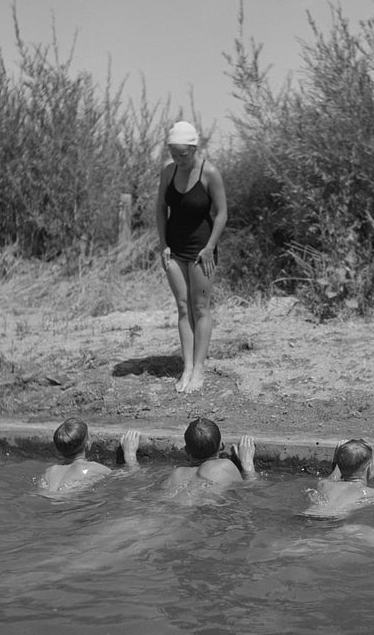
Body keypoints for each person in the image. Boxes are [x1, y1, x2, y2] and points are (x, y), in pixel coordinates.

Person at [154, 120, 229, 393]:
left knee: (201, 308)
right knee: (183, 307)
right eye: (173, 154)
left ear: (194, 148)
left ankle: (199, 369)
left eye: (182, 154)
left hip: (201, 250)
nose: (178, 159)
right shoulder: (168, 172)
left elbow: (222, 214)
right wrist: (163, 243)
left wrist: (210, 247)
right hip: (174, 249)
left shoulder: (209, 173)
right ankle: (186, 367)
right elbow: (161, 208)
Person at [40, 421, 141, 492]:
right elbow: (132, 477)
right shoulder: (92, 469)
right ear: (88, 444)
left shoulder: (49, 472)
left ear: (57, 449)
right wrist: (130, 454)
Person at [163, 416, 256, 489]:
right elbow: (249, 489)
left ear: (186, 450)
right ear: (222, 445)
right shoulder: (224, 466)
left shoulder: (175, 476)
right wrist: (248, 465)